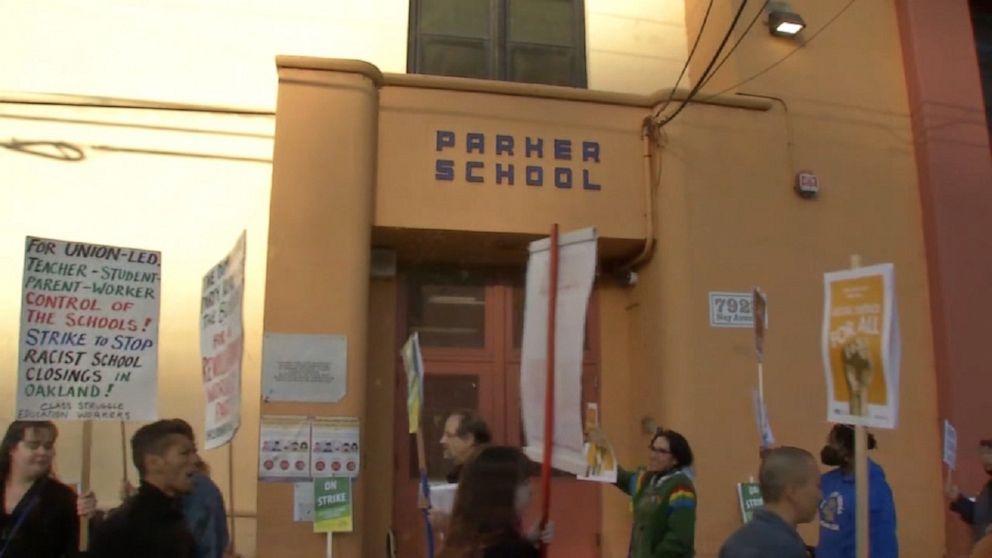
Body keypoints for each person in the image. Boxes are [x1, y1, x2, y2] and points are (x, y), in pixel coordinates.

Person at [89, 419, 200, 558]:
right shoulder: (122, 529)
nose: (196, 459)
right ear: (153, 462)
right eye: (184, 453)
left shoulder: (175, 518)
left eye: (194, 452)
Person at [0, 420, 96, 558]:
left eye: (48, 446)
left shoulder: (64, 498)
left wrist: (88, 521)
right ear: (12, 448)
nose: (42, 452)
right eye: (33, 445)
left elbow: (78, 550)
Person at [607, 427, 697, 558]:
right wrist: (596, 452)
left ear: (676, 459)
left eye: (661, 451)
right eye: (653, 449)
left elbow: (679, 539)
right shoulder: (647, 480)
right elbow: (620, 477)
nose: (653, 455)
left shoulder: (681, 487)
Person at [438, 446, 542, 558]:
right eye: (525, 483)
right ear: (502, 493)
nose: (531, 490)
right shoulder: (516, 551)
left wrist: (528, 540)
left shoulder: (459, 542)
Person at [719, 447, 821, 558]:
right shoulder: (785, 549)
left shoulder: (734, 542)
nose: (820, 496)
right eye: (817, 486)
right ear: (792, 492)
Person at [816, 424, 898, 558]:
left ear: (848, 450)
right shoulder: (828, 480)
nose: (827, 448)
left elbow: (883, 543)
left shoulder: (874, 491)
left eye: (831, 443)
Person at [947, 438, 992, 543]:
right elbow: (978, 517)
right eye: (981, 452)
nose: (983, 456)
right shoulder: (988, 487)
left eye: (988, 451)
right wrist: (958, 498)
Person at [440, 411, 492, 483]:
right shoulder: (460, 474)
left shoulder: (486, 476)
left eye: (449, 435)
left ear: (469, 439)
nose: (442, 441)